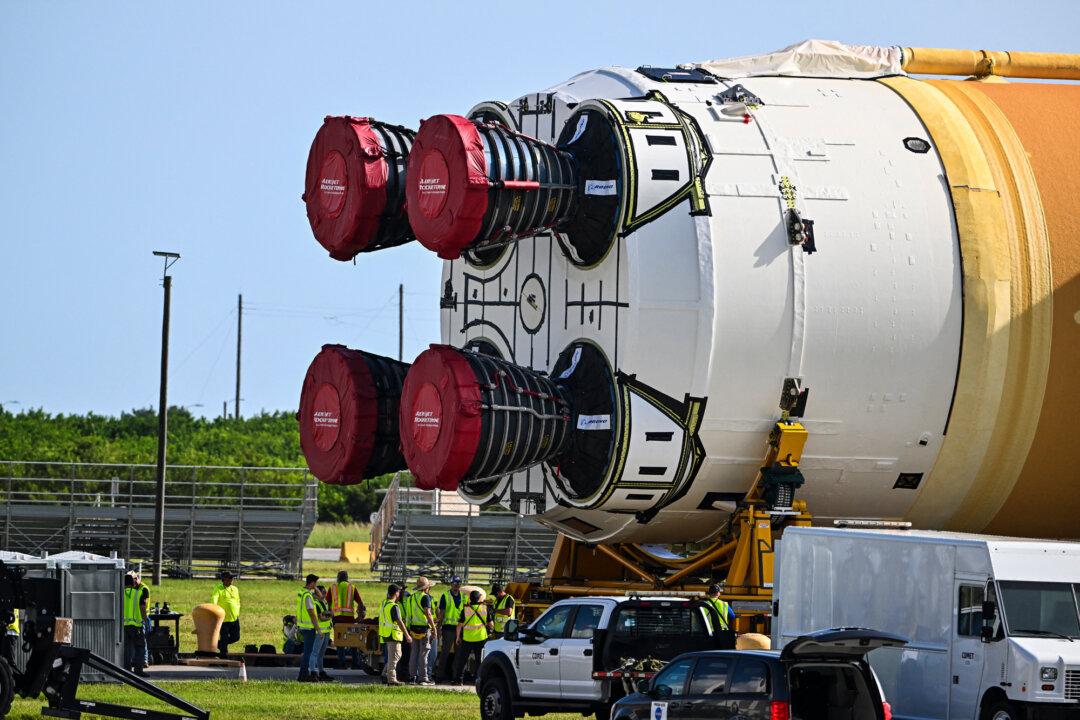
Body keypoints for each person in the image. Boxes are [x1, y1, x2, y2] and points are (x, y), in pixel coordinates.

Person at [329, 570, 365, 670]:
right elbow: (360, 603)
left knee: (339, 641)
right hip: (350, 619)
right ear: (347, 578)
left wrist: (331, 617)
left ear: (338, 577)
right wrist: (360, 616)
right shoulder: (352, 587)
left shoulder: (333, 587)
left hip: (337, 618)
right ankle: (355, 663)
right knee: (353, 640)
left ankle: (342, 663)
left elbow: (328, 602)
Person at [453, 590, 491, 685]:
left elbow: (459, 625)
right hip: (481, 638)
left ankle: (459, 680)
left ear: (470, 598)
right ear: (479, 598)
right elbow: (491, 624)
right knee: (480, 660)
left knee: (463, 660)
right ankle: (477, 680)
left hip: (468, 638)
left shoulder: (465, 609)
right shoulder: (484, 608)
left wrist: (458, 637)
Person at [404, 577, 437, 685]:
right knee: (424, 654)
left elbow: (408, 614)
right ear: (426, 588)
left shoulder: (411, 598)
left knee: (414, 653)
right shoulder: (425, 597)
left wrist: (408, 628)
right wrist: (434, 627)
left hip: (413, 629)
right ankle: (423, 678)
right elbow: (428, 613)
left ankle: (412, 677)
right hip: (423, 629)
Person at [378, 583, 411, 686]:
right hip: (393, 635)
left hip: (386, 634)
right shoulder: (394, 606)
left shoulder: (384, 603)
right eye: (399, 592)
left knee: (394, 655)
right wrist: (407, 635)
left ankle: (385, 674)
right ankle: (391, 679)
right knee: (394, 656)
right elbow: (399, 622)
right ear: (396, 593)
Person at [434, 575, 464, 681]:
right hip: (448, 629)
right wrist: (438, 628)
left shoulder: (463, 597)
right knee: (445, 653)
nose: (457, 586)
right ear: (451, 584)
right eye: (455, 584)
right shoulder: (445, 596)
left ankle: (456, 677)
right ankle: (439, 676)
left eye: (458, 584)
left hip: (460, 630)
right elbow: (441, 614)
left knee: (459, 654)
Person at [296, 574, 322, 682]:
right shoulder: (308, 596)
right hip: (308, 628)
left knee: (307, 652)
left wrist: (314, 587)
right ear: (311, 583)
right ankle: (303, 675)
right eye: (315, 583)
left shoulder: (302, 593)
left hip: (302, 626)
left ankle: (303, 674)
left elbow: (320, 597)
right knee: (307, 653)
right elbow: (312, 614)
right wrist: (318, 629)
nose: (316, 586)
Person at [122, 573, 148, 676]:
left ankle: (127, 670)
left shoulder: (120, 594)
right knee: (140, 647)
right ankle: (138, 670)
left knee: (127, 648)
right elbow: (142, 607)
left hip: (124, 626)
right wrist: (145, 620)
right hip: (137, 626)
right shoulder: (138, 593)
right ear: (133, 583)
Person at [210, 571, 241, 658]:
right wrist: (215, 610)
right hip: (223, 619)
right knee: (224, 637)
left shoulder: (235, 589)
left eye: (232, 578)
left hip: (234, 617)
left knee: (236, 637)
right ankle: (223, 655)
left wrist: (237, 611)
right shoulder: (218, 588)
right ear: (223, 580)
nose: (231, 580)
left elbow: (238, 601)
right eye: (229, 578)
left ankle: (219, 644)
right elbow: (214, 599)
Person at [312, 586, 334, 681]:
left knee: (321, 654)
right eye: (323, 593)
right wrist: (329, 616)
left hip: (326, 631)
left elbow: (326, 613)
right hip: (319, 632)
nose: (325, 595)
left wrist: (328, 614)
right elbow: (321, 617)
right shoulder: (316, 603)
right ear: (318, 593)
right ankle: (313, 672)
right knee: (315, 653)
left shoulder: (322, 602)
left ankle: (321, 672)